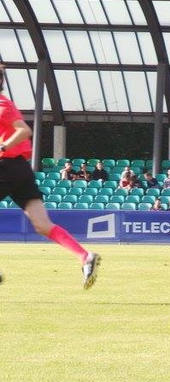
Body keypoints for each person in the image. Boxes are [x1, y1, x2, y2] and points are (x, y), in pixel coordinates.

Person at [0, 63, 100, 289]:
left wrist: (3, 146)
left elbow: (24, 130)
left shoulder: (2, 104)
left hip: (7, 166)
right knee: (43, 225)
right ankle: (85, 256)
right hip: (20, 169)